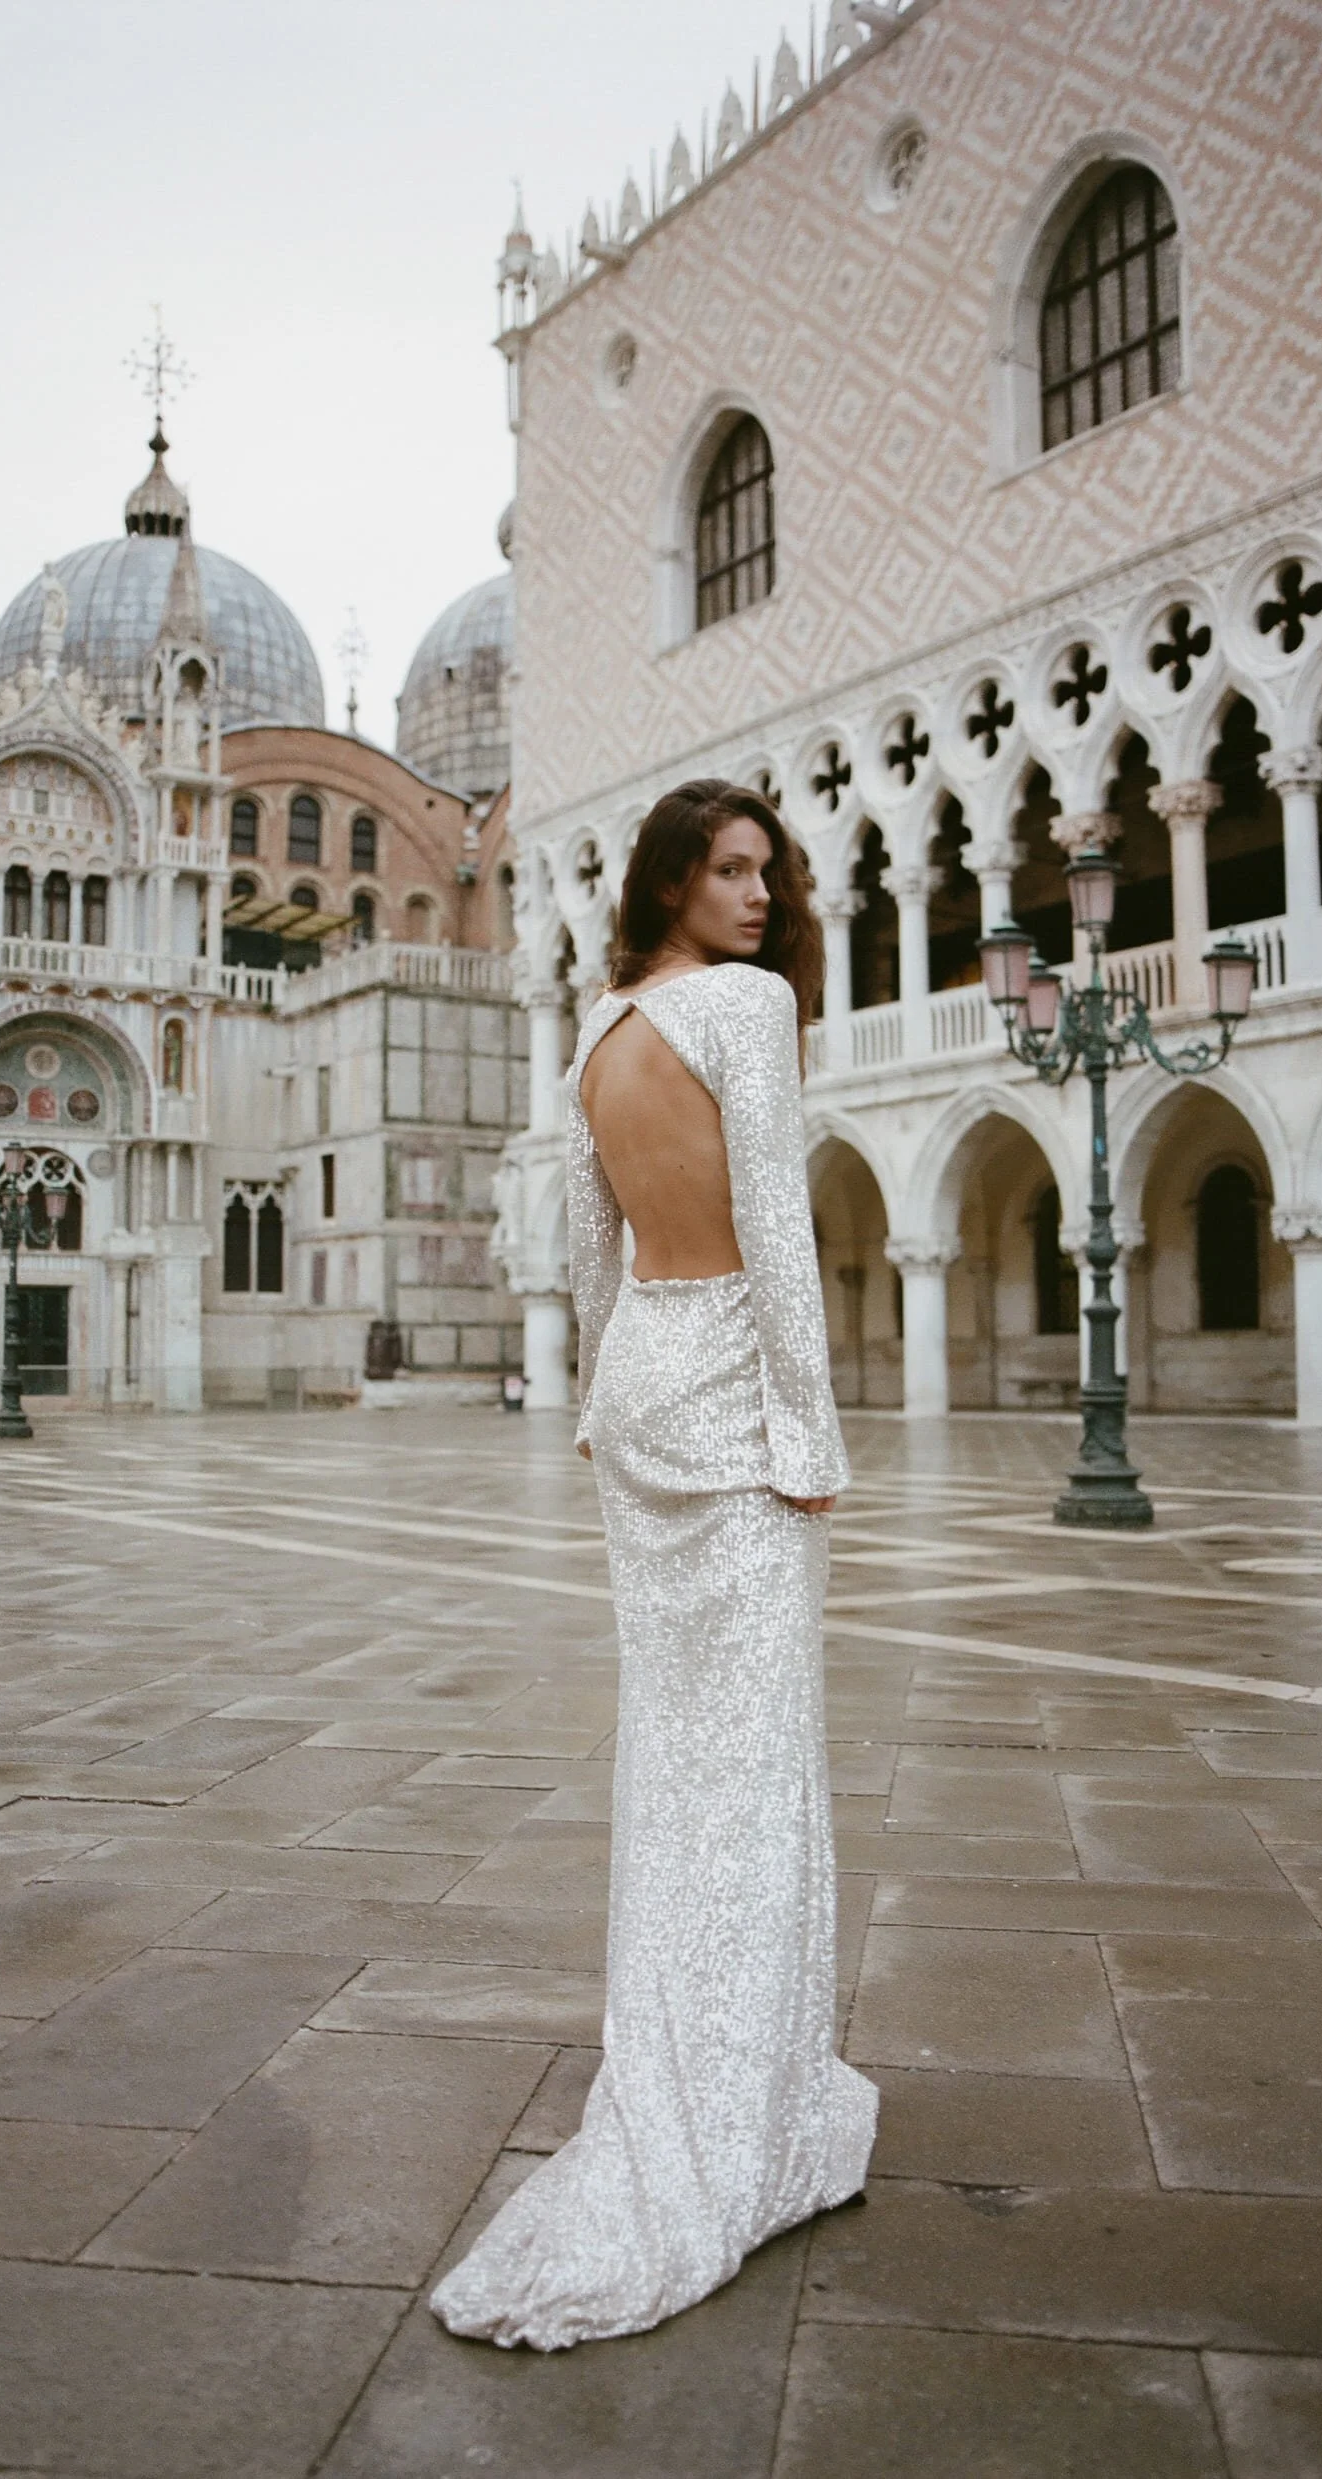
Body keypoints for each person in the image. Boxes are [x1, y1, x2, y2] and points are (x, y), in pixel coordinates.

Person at [430, 779, 877, 2352]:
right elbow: (771, 1219)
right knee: (751, 1769)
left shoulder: (602, 1030)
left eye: (769, 872)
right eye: (730, 868)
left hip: (638, 1398)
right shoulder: (748, 1010)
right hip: (732, 1401)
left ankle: (699, 2080)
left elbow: (587, 1240)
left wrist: (585, 1408)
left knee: (678, 1760)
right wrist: (807, 1432)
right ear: (674, 878)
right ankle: (739, 2123)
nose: (759, 897)